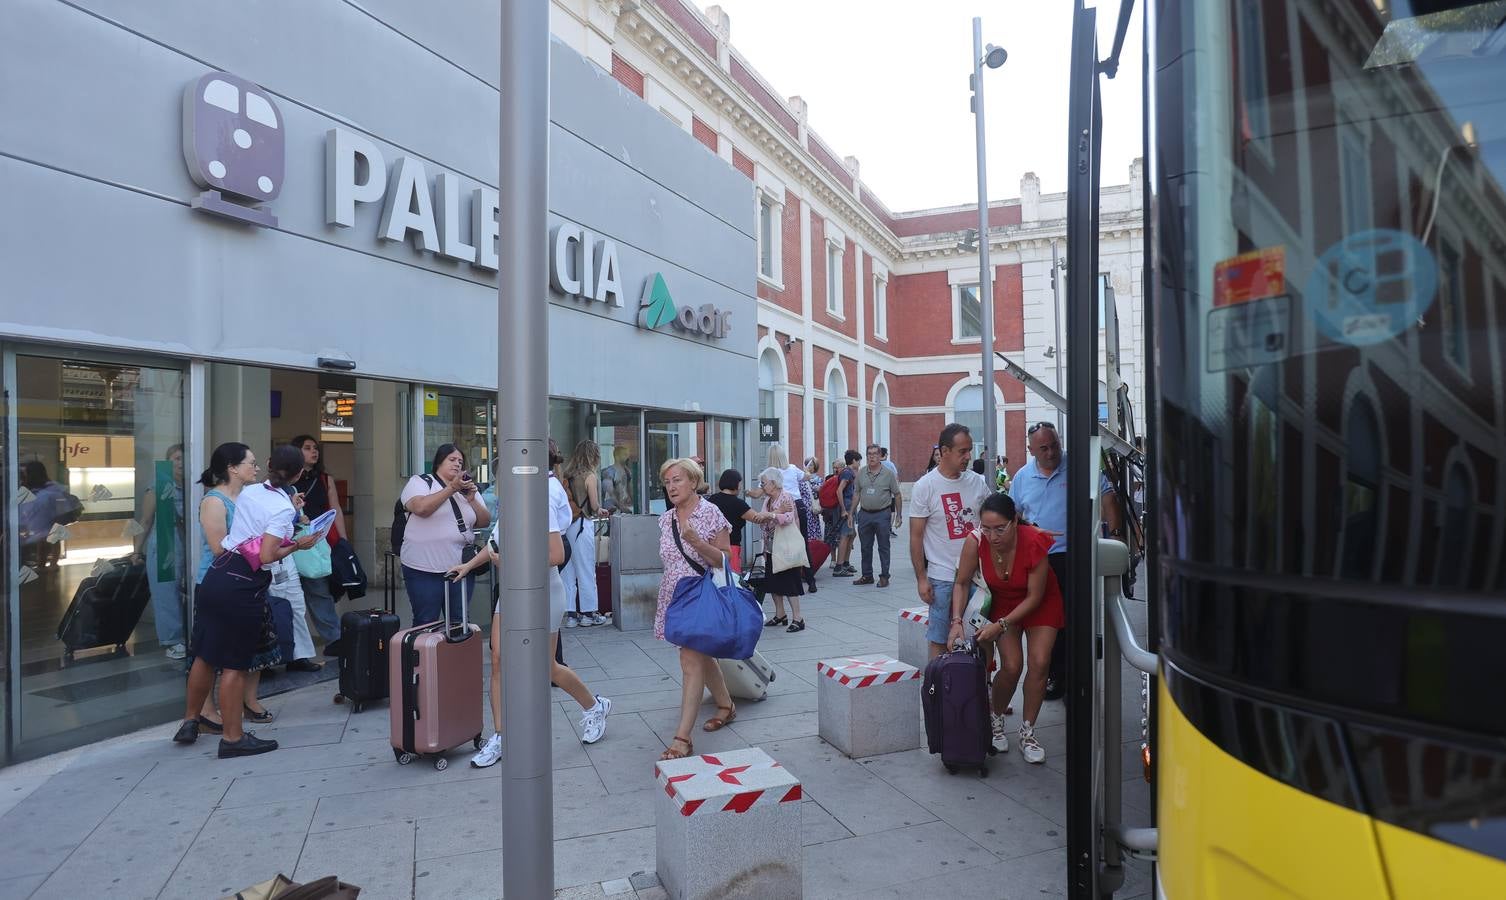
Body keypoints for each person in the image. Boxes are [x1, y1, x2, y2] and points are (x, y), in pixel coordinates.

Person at [448, 443, 612, 768]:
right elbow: (496, 539)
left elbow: (556, 555)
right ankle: (501, 736)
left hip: (543, 590)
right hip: (511, 589)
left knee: (546, 666)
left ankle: (594, 706)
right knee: (497, 659)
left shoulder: (543, 496)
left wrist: (508, 562)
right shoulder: (514, 495)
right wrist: (467, 566)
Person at [174, 444, 320, 756]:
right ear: (298, 474)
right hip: (243, 586)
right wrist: (298, 544)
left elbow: (257, 522)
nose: (254, 467)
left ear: (269, 465)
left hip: (217, 576)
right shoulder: (279, 507)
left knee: (205, 654)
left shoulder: (254, 492)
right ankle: (233, 738)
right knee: (235, 665)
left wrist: (289, 510)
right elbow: (267, 555)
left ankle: (190, 720)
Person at [947, 493, 1063, 763]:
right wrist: (956, 622)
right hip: (1002, 601)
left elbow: (1035, 597)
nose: (993, 535)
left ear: (1015, 521)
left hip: (1041, 601)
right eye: (986, 528)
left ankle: (1028, 732)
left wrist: (1000, 625)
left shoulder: (1034, 541)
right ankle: (996, 720)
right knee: (1011, 665)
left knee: (1040, 661)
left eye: (1000, 528)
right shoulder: (975, 542)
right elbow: (961, 582)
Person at [1009, 421, 1119, 700]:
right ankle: (1057, 676)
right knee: (1050, 623)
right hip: (1042, 561)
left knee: (1075, 620)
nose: (1050, 452)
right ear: (1030, 449)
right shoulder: (1022, 477)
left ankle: (1076, 679)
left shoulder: (1079, 466)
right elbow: (1015, 517)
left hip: (1075, 556)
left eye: (1054, 445)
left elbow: (1107, 497)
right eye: (1043, 448)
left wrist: (1116, 536)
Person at [654, 458, 736, 761]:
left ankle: (682, 738)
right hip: (675, 596)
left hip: (701, 598)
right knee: (701, 656)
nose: (672, 486)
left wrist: (697, 542)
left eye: (677, 480)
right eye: (667, 482)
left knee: (690, 660)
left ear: (693, 481)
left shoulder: (710, 512)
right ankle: (726, 706)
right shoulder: (666, 519)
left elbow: (725, 561)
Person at [189, 442, 274, 731]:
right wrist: (270, 546)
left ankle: (246, 703)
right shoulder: (214, 501)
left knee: (251, 649)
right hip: (222, 584)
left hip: (249, 582)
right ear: (232, 468)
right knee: (213, 653)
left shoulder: (250, 497)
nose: (257, 468)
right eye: (251, 463)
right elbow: (219, 549)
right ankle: (206, 713)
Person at [908, 424, 992, 659]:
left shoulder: (977, 482)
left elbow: (993, 518)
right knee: (939, 637)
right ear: (944, 451)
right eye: (962, 451)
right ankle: (937, 688)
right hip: (942, 577)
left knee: (982, 634)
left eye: (969, 451)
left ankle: (982, 685)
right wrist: (921, 578)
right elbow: (915, 536)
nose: (968, 457)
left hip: (978, 578)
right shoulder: (925, 486)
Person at [399, 443, 491, 627]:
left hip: (461, 567)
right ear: (439, 462)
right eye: (452, 459)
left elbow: (484, 521)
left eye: (460, 461)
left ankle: (456, 656)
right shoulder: (421, 482)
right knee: (426, 621)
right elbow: (421, 508)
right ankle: (426, 656)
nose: (457, 464)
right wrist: (451, 488)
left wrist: (472, 500)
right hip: (423, 567)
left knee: (459, 621)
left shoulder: (467, 489)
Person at [289, 434, 345, 653]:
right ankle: (294, 647)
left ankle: (335, 639)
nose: (314, 451)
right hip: (290, 540)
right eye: (307, 448)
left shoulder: (324, 478)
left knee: (319, 589)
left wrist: (342, 541)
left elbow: (335, 508)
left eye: (315, 448)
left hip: (317, 542)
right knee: (290, 595)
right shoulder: (286, 481)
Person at [134, 445, 187, 659]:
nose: (181, 463)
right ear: (167, 461)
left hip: (187, 544)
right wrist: (136, 550)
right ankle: (172, 640)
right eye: (176, 458)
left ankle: (188, 636)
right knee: (166, 594)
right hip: (166, 544)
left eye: (185, 458)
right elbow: (145, 521)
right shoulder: (158, 485)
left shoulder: (193, 486)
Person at [748, 445, 816, 593]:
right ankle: (810, 580)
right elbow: (807, 477)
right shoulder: (792, 468)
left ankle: (783, 574)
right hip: (798, 505)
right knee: (800, 542)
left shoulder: (769, 474)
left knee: (780, 544)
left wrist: (747, 493)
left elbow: (757, 494)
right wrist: (806, 469)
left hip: (781, 505)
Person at [561, 440, 608, 627]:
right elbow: (595, 506)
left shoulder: (566, 474)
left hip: (566, 526)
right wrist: (602, 510)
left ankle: (571, 615)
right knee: (586, 569)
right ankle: (589, 613)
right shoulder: (590, 476)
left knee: (568, 572)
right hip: (582, 524)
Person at [752, 467, 805, 631]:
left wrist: (772, 515)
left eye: (764, 483)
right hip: (771, 546)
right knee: (773, 582)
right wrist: (774, 514)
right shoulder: (767, 500)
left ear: (774, 483)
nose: (762, 487)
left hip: (786, 546)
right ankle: (780, 614)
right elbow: (760, 518)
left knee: (790, 582)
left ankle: (798, 618)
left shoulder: (786, 496)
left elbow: (787, 518)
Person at [853, 444, 901, 588]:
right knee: (865, 547)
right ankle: (867, 575)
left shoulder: (888, 473)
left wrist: (899, 515)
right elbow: (856, 493)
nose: (872, 457)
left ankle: (884, 576)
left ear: (880, 456)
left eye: (875, 454)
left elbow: (897, 494)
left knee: (883, 546)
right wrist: (850, 513)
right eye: (869, 454)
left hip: (882, 514)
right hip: (865, 514)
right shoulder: (861, 473)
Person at [706, 469, 767, 573]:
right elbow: (757, 518)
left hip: (711, 546)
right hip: (731, 547)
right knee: (732, 579)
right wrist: (775, 513)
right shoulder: (738, 504)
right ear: (736, 484)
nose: (741, 487)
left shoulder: (712, 499)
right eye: (740, 483)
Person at [831, 450, 861, 577]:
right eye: (858, 461)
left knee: (851, 534)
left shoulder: (849, 472)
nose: (859, 463)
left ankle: (845, 563)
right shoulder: (847, 473)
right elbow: (839, 491)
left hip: (850, 507)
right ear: (853, 461)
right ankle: (839, 566)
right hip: (847, 507)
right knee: (845, 536)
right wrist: (844, 510)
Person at [600, 445, 636, 513]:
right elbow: (610, 493)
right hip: (612, 508)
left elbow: (631, 490)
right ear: (617, 456)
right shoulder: (609, 471)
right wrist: (621, 507)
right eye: (624, 454)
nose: (627, 457)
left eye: (627, 454)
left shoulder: (627, 471)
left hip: (625, 507)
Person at [880, 447, 902, 534]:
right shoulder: (890, 464)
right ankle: (889, 529)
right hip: (891, 491)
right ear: (885, 455)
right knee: (892, 510)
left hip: (880, 493)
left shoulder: (876, 465)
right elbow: (896, 476)